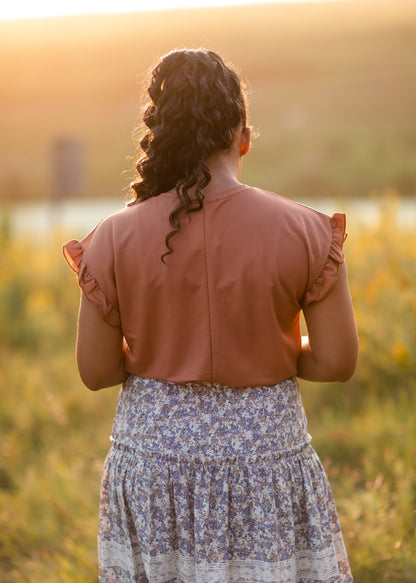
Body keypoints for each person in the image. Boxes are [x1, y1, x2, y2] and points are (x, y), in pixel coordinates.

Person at [63, 49, 359, 583]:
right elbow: (337, 361)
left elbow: (97, 372)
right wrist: (274, 351)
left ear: (160, 136)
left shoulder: (110, 239)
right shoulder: (306, 232)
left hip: (154, 465)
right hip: (265, 459)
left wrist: (161, 351)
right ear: (243, 135)